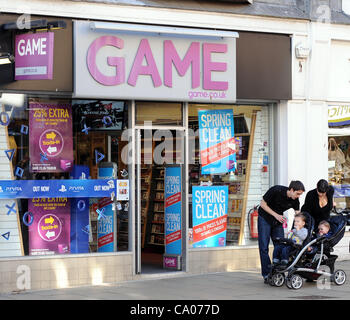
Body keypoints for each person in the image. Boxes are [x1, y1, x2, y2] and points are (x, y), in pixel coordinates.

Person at [258, 180, 305, 283]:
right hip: (264, 218)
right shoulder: (276, 190)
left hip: (278, 221)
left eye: (300, 194)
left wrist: (298, 229)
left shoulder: (295, 200)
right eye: (297, 193)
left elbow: (298, 215)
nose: (298, 196)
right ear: (291, 190)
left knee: (280, 246)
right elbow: (262, 204)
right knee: (263, 247)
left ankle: (279, 273)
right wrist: (276, 215)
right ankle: (267, 274)